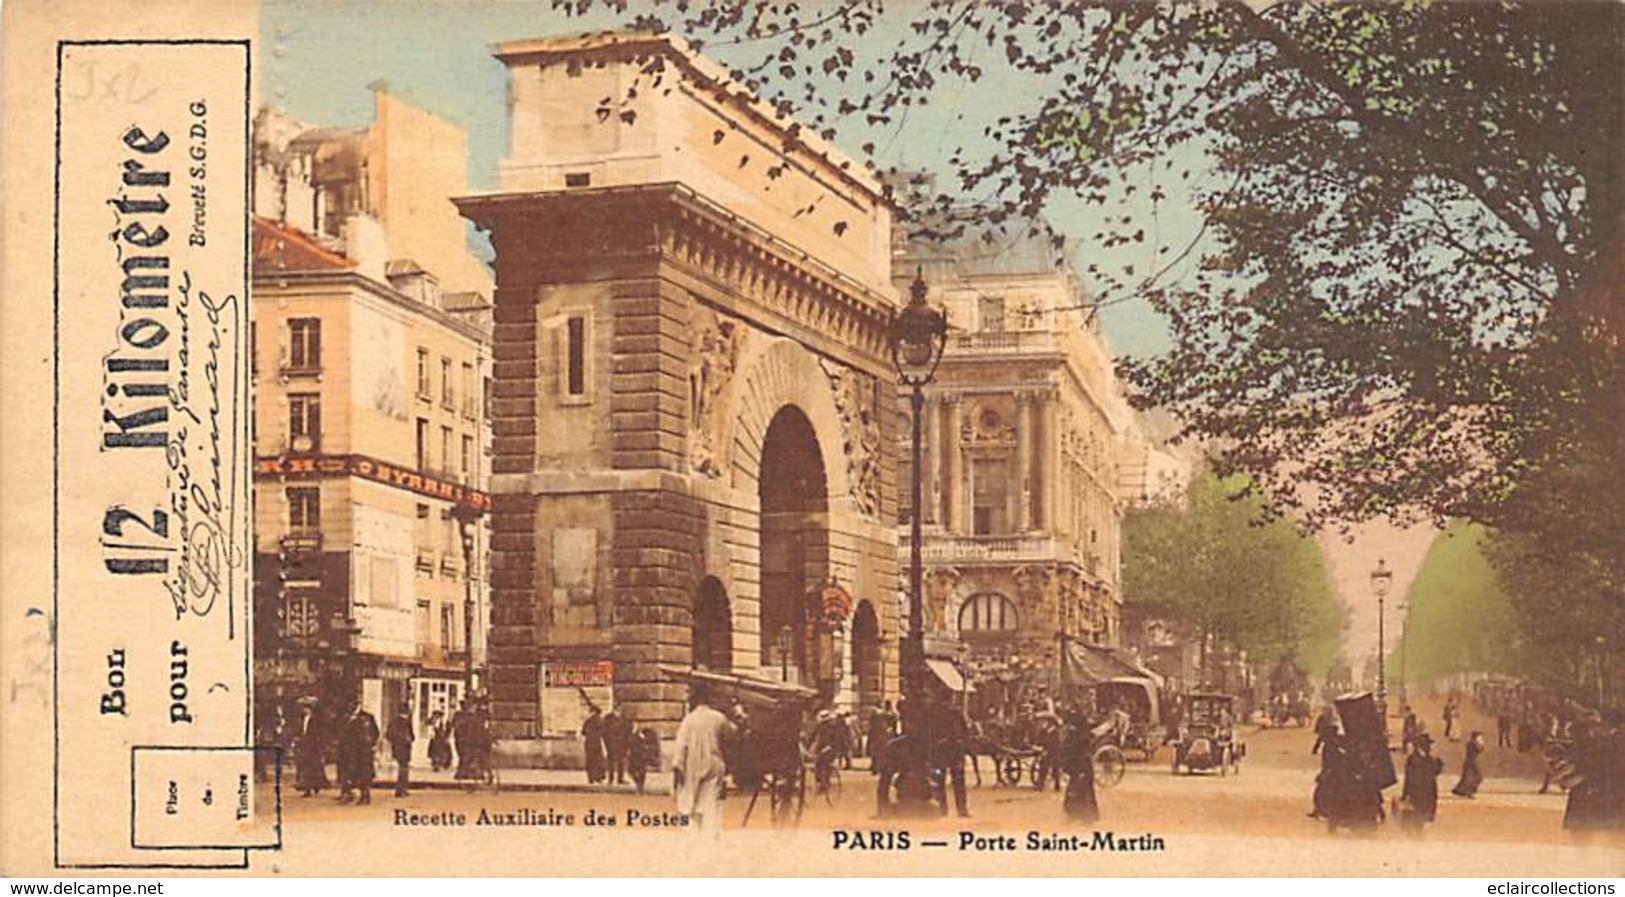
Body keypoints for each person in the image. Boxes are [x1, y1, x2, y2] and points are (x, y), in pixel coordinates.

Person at [672, 686, 737, 837]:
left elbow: (681, 744)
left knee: (691, 797)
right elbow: (731, 735)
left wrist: (678, 766)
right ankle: (712, 831)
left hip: (692, 763)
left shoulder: (688, 719)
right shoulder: (718, 717)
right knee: (711, 798)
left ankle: (694, 831)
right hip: (713, 762)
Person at [927, 698, 970, 818]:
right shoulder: (956, 712)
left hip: (941, 752)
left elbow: (929, 732)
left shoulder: (933, 712)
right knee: (958, 782)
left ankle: (943, 809)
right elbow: (964, 732)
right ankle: (961, 810)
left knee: (939, 781)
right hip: (954, 752)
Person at [1400, 733, 1443, 837]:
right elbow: (1409, 777)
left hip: (1427, 791)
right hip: (1417, 791)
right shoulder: (1414, 759)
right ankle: (1416, 833)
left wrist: (1439, 766)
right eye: (1427, 745)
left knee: (1423, 812)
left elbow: (1433, 773)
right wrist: (1406, 794)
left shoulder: (1428, 758)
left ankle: (1417, 831)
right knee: (1417, 812)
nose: (1429, 747)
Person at [1060, 708, 1099, 823]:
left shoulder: (1082, 737)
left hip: (1082, 766)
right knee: (1073, 792)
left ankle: (1087, 818)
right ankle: (1072, 816)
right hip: (1075, 767)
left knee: (1083, 793)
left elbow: (1080, 751)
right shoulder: (1074, 734)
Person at [337, 700, 379, 805]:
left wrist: (371, 745)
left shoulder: (367, 717)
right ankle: (347, 794)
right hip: (347, 751)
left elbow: (375, 732)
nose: (351, 707)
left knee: (363, 774)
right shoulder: (345, 717)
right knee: (347, 773)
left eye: (354, 705)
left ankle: (365, 795)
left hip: (362, 751)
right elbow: (340, 732)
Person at [293, 703, 329, 797]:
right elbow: (301, 731)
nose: (304, 710)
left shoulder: (316, 719)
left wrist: (319, 744)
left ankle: (316, 786)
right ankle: (307, 788)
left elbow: (319, 732)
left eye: (306, 708)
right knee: (305, 768)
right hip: (305, 745)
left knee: (315, 767)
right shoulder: (302, 719)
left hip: (314, 746)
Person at [385, 705, 415, 798]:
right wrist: (403, 739)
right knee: (403, 769)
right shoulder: (397, 722)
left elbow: (411, 735)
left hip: (404, 748)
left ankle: (403, 788)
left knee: (404, 768)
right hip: (400, 748)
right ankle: (400, 789)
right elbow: (390, 735)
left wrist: (410, 739)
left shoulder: (405, 722)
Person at [867, 701, 897, 775]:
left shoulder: (881, 714)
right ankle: (877, 767)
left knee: (878, 752)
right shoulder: (888, 714)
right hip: (884, 736)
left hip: (881, 736)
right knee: (880, 752)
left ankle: (877, 768)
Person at [1452, 730, 1485, 798]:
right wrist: (1481, 744)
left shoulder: (1470, 743)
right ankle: (1469, 792)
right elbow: (1479, 749)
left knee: (1468, 778)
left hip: (1470, 762)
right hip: (1472, 762)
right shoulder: (1473, 743)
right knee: (1474, 777)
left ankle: (1465, 791)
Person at [603, 708, 632, 786]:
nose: (618, 711)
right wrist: (607, 743)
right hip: (612, 744)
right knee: (611, 762)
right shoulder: (608, 719)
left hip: (621, 744)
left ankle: (620, 779)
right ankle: (611, 779)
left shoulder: (624, 719)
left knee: (621, 762)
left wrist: (627, 744)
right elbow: (604, 732)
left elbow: (628, 731)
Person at [629, 726, 661, 795]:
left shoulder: (648, 737)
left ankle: (640, 788)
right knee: (632, 771)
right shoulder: (633, 736)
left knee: (641, 773)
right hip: (634, 756)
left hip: (641, 757)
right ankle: (639, 785)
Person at [582, 705, 607, 784]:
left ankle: (591, 778)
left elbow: (583, 731)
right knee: (598, 761)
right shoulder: (600, 720)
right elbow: (603, 731)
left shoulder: (588, 721)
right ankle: (598, 777)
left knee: (590, 761)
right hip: (596, 743)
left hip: (589, 743)